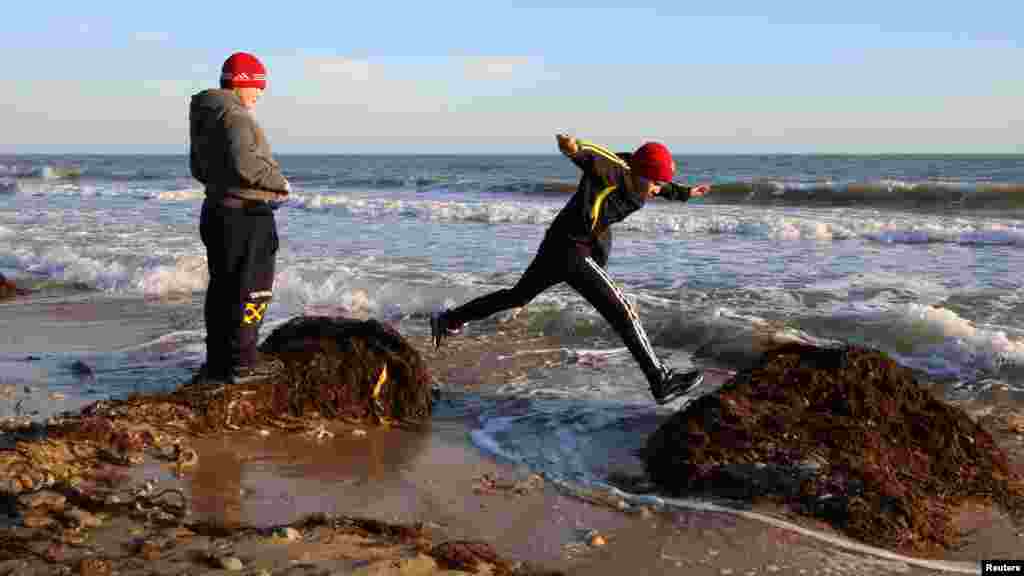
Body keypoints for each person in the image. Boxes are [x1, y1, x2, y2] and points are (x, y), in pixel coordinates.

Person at [431, 134, 710, 404]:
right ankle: (660, 381)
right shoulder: (613, 172)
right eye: (655, 182)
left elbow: (664, 188)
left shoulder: (644, 177)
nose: (656, 188)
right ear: (641, 173)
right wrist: (574, 148)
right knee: (624, 312)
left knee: (517, 296)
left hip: (559, 243)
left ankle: (449, 319)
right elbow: (593, 158)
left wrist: (686, 193)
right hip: (573, 250)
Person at [189, 52, 290, 384]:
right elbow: (245, 164)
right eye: (258, 87)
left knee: (222, 289)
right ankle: (244, 363)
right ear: (243, 82)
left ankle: (219, 361)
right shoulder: (236, 116)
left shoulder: (207, 114)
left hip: (217, 210)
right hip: (246, 215)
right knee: (252, 290)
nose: (259, 95)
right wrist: (279, 183)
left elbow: (199, 168)